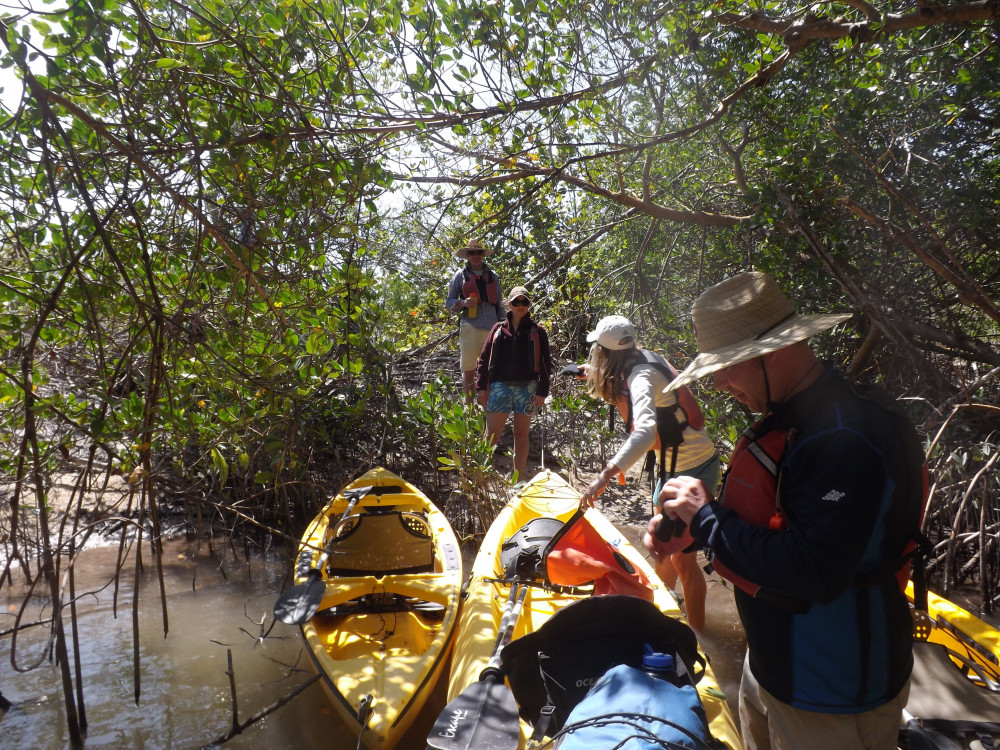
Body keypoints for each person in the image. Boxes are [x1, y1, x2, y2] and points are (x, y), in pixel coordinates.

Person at [646, 271, 923, 750]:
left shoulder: (844, 435)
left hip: (832, 690)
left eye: (727, 367)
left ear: (771, 352)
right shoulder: (799, 415)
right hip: (776, 666)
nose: (718, 383)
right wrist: (694, 531)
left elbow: (816, 569)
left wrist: (709, 520)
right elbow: (782, 524)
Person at [576, 315, 719, 631]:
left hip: (693, 469)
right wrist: (590, 374)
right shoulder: (640, 362)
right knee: (664, 553)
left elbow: (643, 432)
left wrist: (606, 475)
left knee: (682, 560)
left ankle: (699, 640)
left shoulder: (640, 378)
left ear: (606, 352)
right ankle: (664, 618)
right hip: (672, 470)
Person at [476, 286, 552, 481]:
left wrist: (542, 392)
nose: (520, 306)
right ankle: (480, 477)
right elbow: (483, 360)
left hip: (527, 388)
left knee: (521, 435)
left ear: (529, 305)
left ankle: (517, 480)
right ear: (508, 304)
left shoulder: (538, 331)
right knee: (492, 435)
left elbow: (545, 364)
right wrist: (481, 388)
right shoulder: (498, 329)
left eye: (524, 302)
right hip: (499, 386)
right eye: (516, 302)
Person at [445, 239, 504, 400]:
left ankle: (488, 411)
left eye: (479, 252)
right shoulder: (460, 275)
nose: (476, 256)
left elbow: (500, 304)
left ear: (483, 254)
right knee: (469, 370)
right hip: (470, 326)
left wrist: (503, 326)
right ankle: (469, 412)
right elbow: (448, 301)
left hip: (492, 328)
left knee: (490, 370)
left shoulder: (493, 276)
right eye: (472, 252)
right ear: (467, 255)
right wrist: (463, 302)